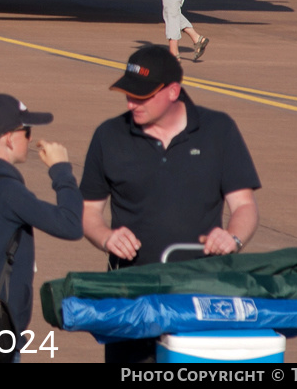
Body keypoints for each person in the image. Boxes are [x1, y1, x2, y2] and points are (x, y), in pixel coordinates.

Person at [80, 45, 260, 364]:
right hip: (132, 298)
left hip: (203, 297)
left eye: (142, 96)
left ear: (173, 91)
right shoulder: (109, 136)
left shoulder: (219, 131)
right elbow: (89, 212)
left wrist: (232, 237)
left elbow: (244, 206)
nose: (131, 102)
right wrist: (106, 236)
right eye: (128, 94)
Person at [0, 94, 83, 339]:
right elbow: (71, 224)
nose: (30, 138)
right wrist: (61, 170)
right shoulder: (8, 192)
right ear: (9, 138)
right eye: (27, 131)